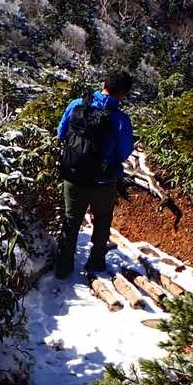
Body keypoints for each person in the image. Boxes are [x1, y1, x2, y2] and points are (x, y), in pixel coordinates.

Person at [54, 68, 136, 279]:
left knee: (71, 220)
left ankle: (63, 266)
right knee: (102, 219)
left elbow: (61, 132)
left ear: (103, 84)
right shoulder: (121, 119)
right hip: (104, 181)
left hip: (73, 176)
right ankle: (96, 261)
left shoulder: (76, 104)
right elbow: (124, 151)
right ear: (123, 94)